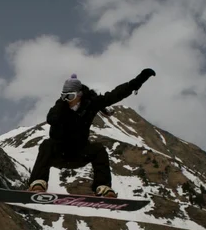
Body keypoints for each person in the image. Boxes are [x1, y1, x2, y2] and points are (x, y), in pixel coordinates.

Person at [27, 68, 156, 198]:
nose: (68, 100)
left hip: (79, 154)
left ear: (80, 94)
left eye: (70, 96)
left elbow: (116, 94)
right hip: (59, 154)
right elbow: (51, 118)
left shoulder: (91, 104)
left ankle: (102, 187)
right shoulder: (61, 106)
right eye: (64, 96)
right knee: (47, 145)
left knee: (98, 149)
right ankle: (38, 183)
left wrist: (140, 79)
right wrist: (61, 110)